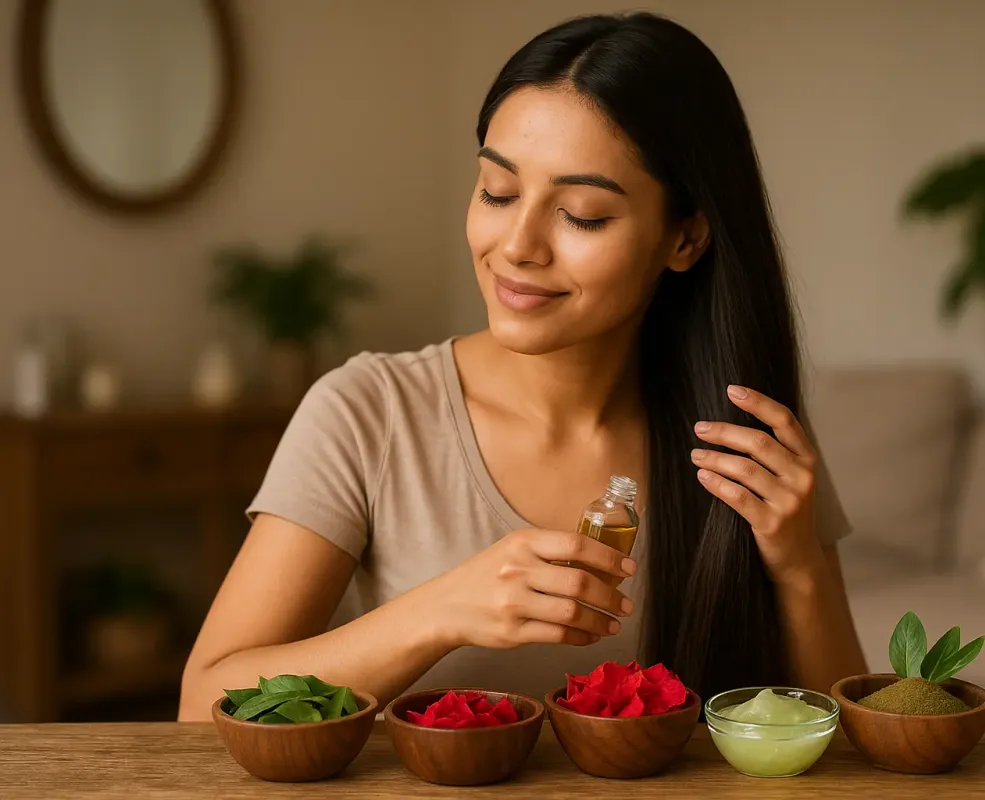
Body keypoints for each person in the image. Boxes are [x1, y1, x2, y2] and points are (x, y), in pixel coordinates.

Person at [178, 11, 866, 721]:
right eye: (497, 193)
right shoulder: (369, 410)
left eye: (582, 214)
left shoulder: (739, 439)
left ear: (685, 237)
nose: (517, 245)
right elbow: (203, 708)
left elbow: (848, 739)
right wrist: (440, 611)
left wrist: (799, 566)